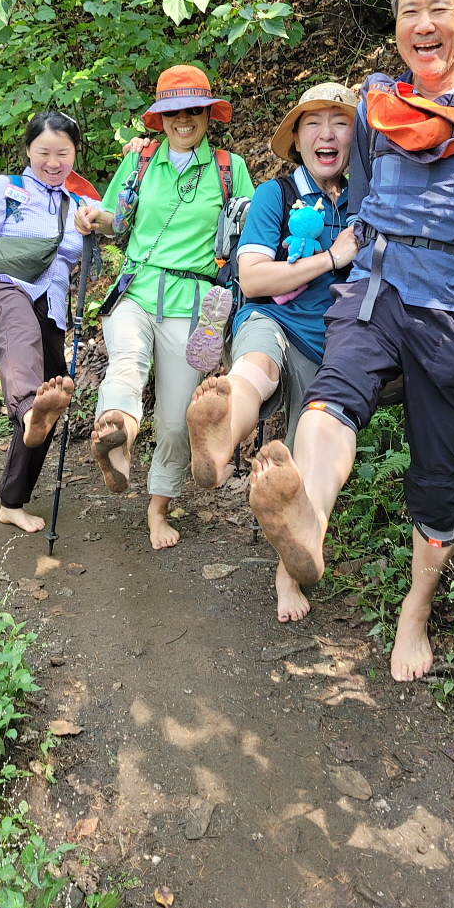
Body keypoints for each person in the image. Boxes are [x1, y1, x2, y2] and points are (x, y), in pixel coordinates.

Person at [247, 0, 454, 680]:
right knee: (334, 394)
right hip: (378, 286)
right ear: (395, 26)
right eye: (409, 11)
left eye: (438, 9)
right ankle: (309, 522)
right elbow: (367, 195)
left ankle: (415, 613)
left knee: (439, 469)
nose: (423, 24)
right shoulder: (375, 107)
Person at [186, 83, 359, 622]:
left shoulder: (367, 199)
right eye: (313, 123)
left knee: (300, 467)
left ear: (356, 138)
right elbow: (254, 279)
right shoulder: (275, 195)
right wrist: (331, 257)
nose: (327, 133)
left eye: (340, 122)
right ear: (297, 139)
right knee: (253, 367)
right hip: (273, 319)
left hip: (334, 342)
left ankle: (291, 572)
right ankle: (219, 438)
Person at [74, 65, 253, 551]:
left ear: (208, 115)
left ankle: (158, 510)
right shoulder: (140, 161)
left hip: (194, 306)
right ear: (160, 118)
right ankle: (117, 444)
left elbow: (250, 232)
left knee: (175, 422)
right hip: (135, 291)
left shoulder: (229, 168)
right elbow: (114, 220)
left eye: (193, 109)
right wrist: (91, 218)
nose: (183, 119)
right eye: (173, 111)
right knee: (127, 361)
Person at [0, 111, 101, 533]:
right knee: (30, 376)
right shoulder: (6, 188)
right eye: (44, 152)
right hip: (2, 289)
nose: (53, 162)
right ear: (27, 150)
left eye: (63, 153)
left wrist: (137, 156)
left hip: (51, 307)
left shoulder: (80, 202)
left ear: (75, 153)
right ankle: (28, 412)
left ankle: (12, 501)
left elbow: (114, 231)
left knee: (53, 392)